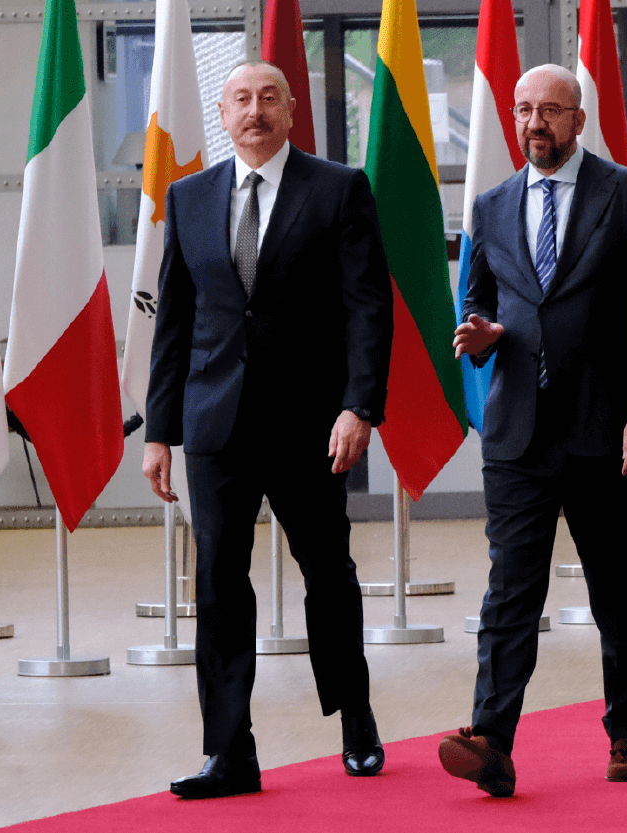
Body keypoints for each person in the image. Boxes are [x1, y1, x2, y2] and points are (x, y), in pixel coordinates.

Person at [142, 60, 392, 800]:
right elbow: (175, 326)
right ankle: (229, 751)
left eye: (269, 98)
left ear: (291, 110)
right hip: (215, 423)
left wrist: (360, 406)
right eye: (242, 100)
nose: (256, 111)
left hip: (311, 424)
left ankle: (356, 717)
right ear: (224, 113)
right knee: (219, 581)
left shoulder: (338, 188)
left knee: (328, 575)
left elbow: (367, 307)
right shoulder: (188, 197)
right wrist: (159, 431)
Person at [435, 65, 627, 798]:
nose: (534, 123)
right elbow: (479, 303)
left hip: (611, 432)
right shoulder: (491, 204)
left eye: (549, 110)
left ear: (579, 120)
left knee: (621, 591)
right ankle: (492, 740)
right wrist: (478, 334)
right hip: (519, 435)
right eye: (523, 111)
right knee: (511, 590)